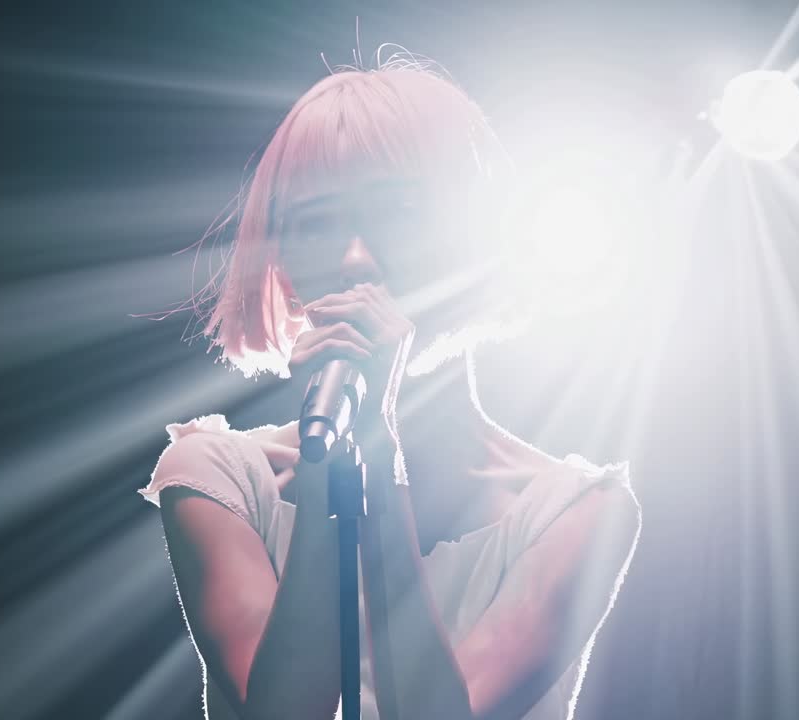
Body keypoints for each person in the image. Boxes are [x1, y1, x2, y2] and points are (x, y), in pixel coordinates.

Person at [139, 51, 642, 720]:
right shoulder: (217, 477)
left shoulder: (577, 512)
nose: (356, 258)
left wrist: (379, 456)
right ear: (280, 261)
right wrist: (333, 470)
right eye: (316, 224)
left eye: (397, 213)